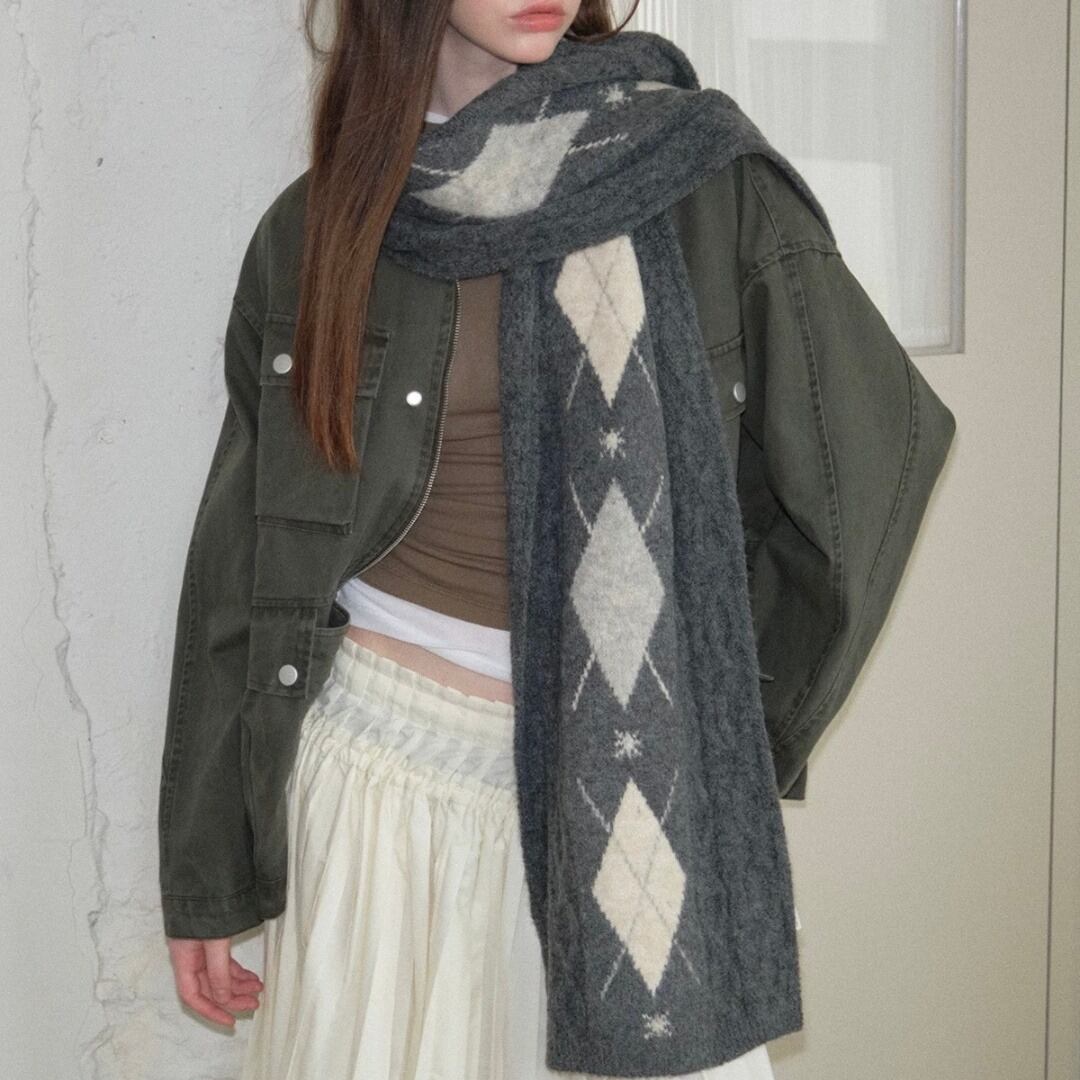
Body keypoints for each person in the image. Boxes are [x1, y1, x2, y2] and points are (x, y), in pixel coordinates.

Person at [159, 1, 957, 1077]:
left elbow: (866, 467)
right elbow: (243, 559)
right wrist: (207, 870)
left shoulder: (696, 178)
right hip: (373, 786)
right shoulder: (321, 226)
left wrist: (723, 724)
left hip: (630, 799)